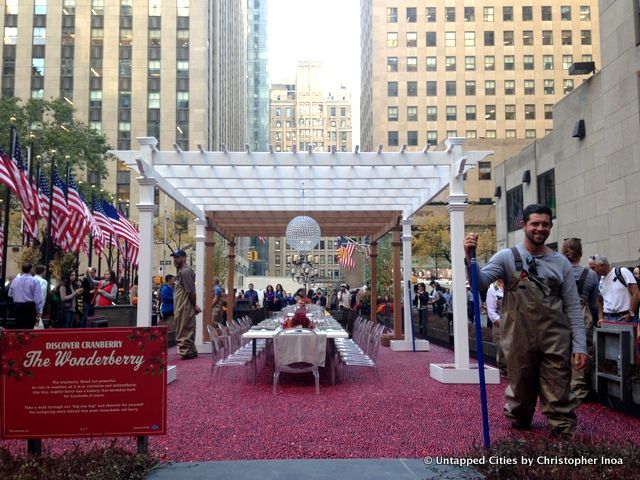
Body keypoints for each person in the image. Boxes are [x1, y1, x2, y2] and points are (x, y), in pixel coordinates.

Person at [464, 204, 587, 439]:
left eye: (545, 224)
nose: (540, 229)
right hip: (519, 338)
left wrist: (580, 346)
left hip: (555, 338)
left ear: (551, 226)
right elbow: (479, 283)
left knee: (559, 387)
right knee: (520, 390)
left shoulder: (561, 263)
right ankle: (519, 424)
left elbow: (572, 307)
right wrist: (469, 258)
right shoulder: (506, 258)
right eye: (535, 224)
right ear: (523, 225)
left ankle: (563, 433)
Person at [562, 238, 599, 402]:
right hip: (583, 314)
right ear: (581, 253)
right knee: (581, 351)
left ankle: (560, 389)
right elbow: (593, 302)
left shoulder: (559, 272)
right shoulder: (590, 274)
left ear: (563, 252)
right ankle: (579, 390)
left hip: (561, 314)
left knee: (560, 350)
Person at [588, 255, 640, 326]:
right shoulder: (599, 280)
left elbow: (636, 293)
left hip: (625, 318)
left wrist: (631, 313)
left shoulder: (622, 272)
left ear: (602, 265)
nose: (592, 271)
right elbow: (599, 300)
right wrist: (601, 318)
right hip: (607, 319)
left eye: (593, 268)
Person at [172, 249, 201, 359]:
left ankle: (187, 352)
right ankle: (189, 351)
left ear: (184, 258)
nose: (175, 260)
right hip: (182, 306)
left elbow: (191, 292)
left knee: (185, 328)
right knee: (184, 327)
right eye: (174, 257)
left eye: (177, 257)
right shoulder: (182, 272)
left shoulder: (185, 272)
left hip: (185, 306)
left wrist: (193, 306)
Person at [8, 262, 43, 329]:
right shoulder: (35, 281)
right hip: (29, 307)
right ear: (31, 269)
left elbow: (10, 294)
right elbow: (37, 299)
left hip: (18, 307)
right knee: (29, 329)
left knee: (19, 328)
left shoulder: (15, 280)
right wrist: (38, 311)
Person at [485, 278, 507, 378]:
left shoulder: (515, 285)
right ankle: (505, 370)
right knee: (502, 347)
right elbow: (491, 312)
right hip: (500, 324)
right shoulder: (492, 289)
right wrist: (503, 324)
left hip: (517, 323)